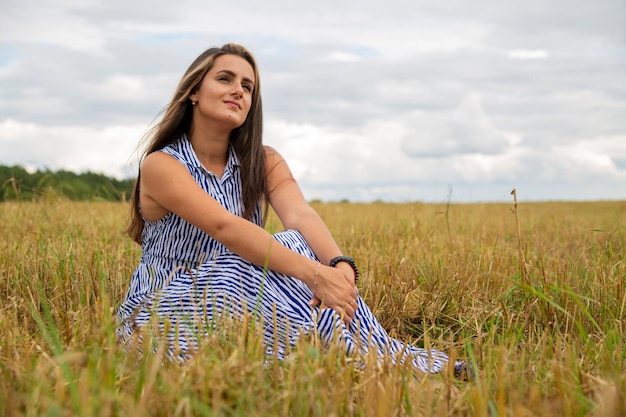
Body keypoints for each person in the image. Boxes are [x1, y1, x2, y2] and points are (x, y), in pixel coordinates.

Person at [116, 43, 470, 378]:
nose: (239, 90)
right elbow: (225, 228)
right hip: (167, 306)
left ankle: (385, 356)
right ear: (194, 91)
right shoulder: (162, 165)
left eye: (248, 86)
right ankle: (343, 356)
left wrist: (340, 267)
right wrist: (315, 275)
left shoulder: (263, 161)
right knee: (257, 263)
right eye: (225, 79)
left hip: (243, 295)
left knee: (297, 244)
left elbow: (301, 216)